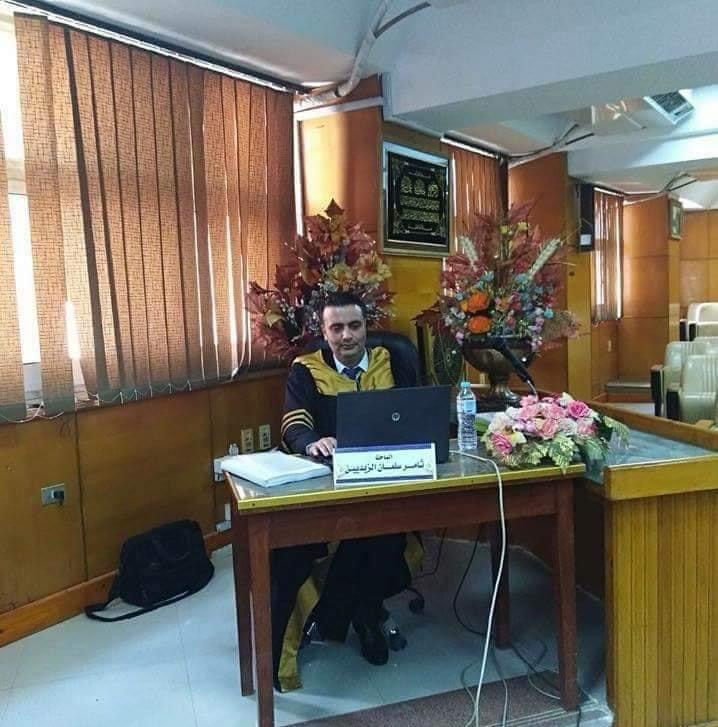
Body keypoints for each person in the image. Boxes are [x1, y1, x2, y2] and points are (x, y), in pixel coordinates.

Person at [273, 291, 421, 692]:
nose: (346, 336)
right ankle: (357, 614)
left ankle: (360, 614)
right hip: (332, 488)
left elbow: (418, 411)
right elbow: (294, 424)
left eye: (354, 326)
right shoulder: (306, 371)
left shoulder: (393, 362)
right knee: (335, 539)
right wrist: (312, 442)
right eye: (336, 328)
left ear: (366, 327)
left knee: (384, 533)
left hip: (392, 482)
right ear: (324, 332)